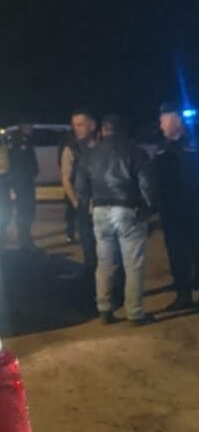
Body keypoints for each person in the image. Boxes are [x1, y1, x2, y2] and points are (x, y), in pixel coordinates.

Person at [75, 114, 156, 327]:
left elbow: (81, 188)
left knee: (104, 263)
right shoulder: (136, 152)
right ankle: (135, 313)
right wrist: (149, 209)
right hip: (127, 209)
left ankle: (104, 309)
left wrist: (87, 208)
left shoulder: (89, 155)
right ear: (124, 131)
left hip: (100, 210)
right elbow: (147, 185)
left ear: (103, 130)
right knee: (133, 265)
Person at [153, 102, 199, 313]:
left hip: (198, 210)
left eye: (164, 120)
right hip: (172, 214)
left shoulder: (197, 144)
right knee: (177, 256)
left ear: (177, 120)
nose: (160, 125)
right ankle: (183, 295)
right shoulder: (161, 149)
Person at [60, 110, 99, 273]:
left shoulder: (102, 146)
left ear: (92, 126)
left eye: (80, 125)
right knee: (88, 244)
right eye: (74, 125)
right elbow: (66, 178)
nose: (76, 128)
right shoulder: (70, 149)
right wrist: (76, 202)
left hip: (103, 204)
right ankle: (90, 277)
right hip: (83, 205)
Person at [8, 121, 39, 250]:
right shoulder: (18, 141)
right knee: (24, 211)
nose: (32, 129)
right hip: (21, 182)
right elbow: (17, 163)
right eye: (30, 127)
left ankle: (26, 239)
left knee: (28, 210)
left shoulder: (25, 140)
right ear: (24, 127)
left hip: (25, 181)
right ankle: (24, 241)